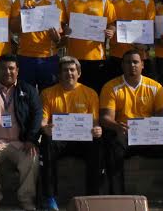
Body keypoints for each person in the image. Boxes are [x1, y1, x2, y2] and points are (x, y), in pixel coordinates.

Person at [99, 49, 163, 207]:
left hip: (149, 136)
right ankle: (118, 198)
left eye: (135, 62)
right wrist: (116, 126)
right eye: (127, 62)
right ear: (122, 65)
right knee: (112, 145)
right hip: (125, 135)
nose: (132, 65)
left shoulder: (154, 87)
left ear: (142, 65)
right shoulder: (111, 87)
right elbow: (105, 118)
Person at [0, 54, 42, 211]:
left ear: (17, 70)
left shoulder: (28, 90)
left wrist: (31, 139)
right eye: (3, 68)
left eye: (11, 68)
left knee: (33, 156)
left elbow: (37, 115)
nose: (7, 72)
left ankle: (26, 198)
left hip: (21, 142)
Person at [39, 56, 103, 211]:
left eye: (72, 70)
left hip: (82, 139)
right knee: (46, 142)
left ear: (79, 73)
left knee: (98, 144)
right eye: (65, 70)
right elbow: (43, 120)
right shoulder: (47, 93)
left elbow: (95, 123)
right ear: (59, 74)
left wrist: (97, 130)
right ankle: (49, 197)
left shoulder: (90, 93)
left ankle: (92, 197)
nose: (69, 73)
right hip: (58, 139)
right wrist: (45, 128)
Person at [10, 0, 65, 91]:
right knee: (24, 96)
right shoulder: (20, 2)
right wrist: (21, 15)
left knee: (48, 95)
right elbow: (13, 29)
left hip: (48, 57)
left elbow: (59, 32)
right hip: (25, 56)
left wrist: (57, 38)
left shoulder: (54, 2)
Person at [62, 0, 116, 93]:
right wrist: (65, 30)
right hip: (73, 59)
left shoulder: (104, 0)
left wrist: (111, 31)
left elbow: (112, 23)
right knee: (74, 94)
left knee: (95, 94)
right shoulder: (67, 0)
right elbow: (61, 24)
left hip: (97, 58)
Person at [108, 0, 156, 81]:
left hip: (140, 56)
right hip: (117, 55)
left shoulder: (147, 1)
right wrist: (110, 30)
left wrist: (146, 45)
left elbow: (151, 27)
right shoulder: (110, 0)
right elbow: (109, 24)